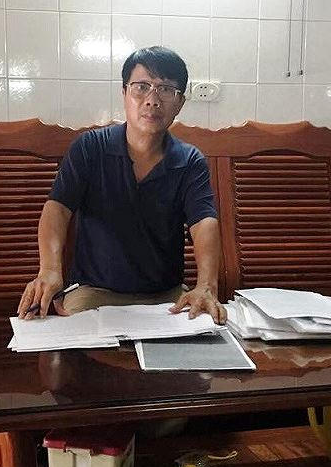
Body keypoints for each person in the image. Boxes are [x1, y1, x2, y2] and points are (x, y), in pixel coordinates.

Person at [17, 46, 226, 324]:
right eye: (141, 87)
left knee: (201, 339)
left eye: (166, 90)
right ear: (124, 93)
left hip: (166, 296)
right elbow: (58, 209)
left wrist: (206, 286)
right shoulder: (90, 148)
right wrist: (50, 271)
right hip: (94, 292)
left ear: (180, 103)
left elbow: (204, 223)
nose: (152, 100)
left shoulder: (189, 161)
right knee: (79, 347)